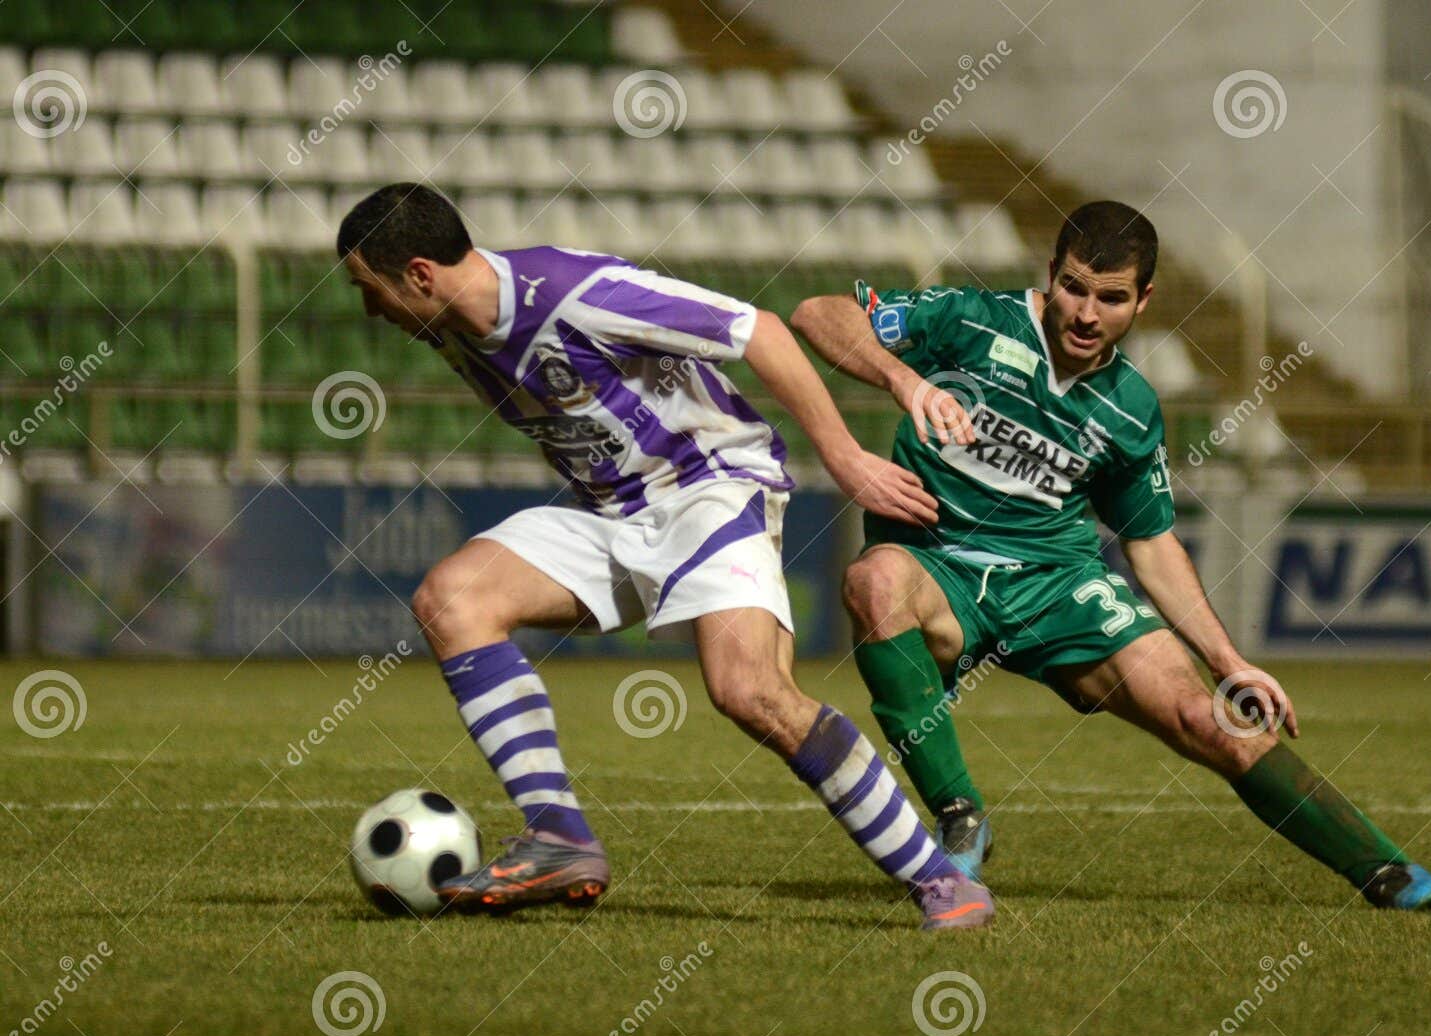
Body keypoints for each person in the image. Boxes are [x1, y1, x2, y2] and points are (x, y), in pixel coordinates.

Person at [335, 183, 993, 931]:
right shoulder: (450, 323)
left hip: (710, 485)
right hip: (612, 512)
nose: (370, 311)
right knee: (452, 601)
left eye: (371, 289)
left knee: (750, 692)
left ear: (419, 274)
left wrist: (844, 457)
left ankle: (942, 881)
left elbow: (763, 331)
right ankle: (558, 836)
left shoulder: (574, 293)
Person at [789, 200, 1431, 910]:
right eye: (1074, 287)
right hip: (940, 567)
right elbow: (815, 314)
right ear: (1051, 275)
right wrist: (906, 379)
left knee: (1208, 719)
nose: (1086, 313)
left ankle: (1386, 870)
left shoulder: (1132, 405)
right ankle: (960, 819)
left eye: (1110, 298)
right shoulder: (972, 320)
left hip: (1059, 586)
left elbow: (1151, 542)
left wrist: (1228, 663)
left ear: (1143, 300)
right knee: (874, 579)